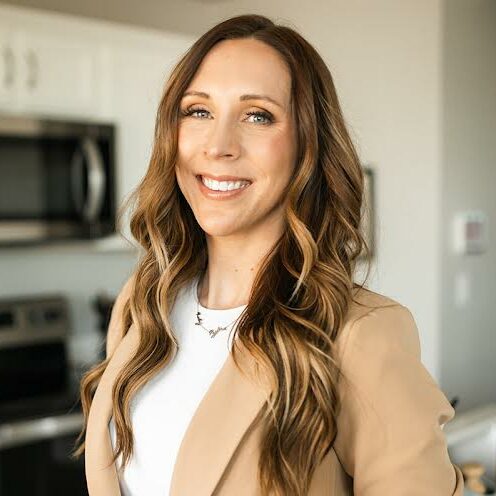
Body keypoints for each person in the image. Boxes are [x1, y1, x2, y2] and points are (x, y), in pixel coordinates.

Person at [72, 13, 464, 496]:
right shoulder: (143, 304)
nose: (218, 146)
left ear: (307, 147)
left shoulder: (360, 337)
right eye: (198, 111)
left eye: (257, 116)